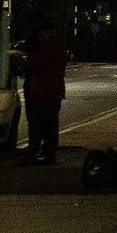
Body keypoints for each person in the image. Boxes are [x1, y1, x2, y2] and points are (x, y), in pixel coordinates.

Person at [22, 25, 69, 164]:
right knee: (51, 126)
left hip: (43, 91)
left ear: (45, 33)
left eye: (40, 33)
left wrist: (23, 62)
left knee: (37, 125)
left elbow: (38, 66)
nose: (38, 36)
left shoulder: (45, 46)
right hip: (56, 91)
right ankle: (50, 155)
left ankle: (31, 155)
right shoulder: (59, 47)